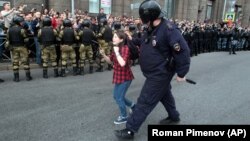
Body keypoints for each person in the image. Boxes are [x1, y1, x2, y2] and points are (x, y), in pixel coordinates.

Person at [114, 0, 191, 139]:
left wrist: (181, 73)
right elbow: (144, 41)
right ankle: (174, 117)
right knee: (164, 94)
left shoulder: (169, 29)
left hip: (160, 73)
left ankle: (130, 129)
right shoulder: (152, 28)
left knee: (145, 100)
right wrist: (131, 40)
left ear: (148, 17)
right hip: (155, 73)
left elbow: (183, 52)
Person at [100, 30, 135, 125]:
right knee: (116, 96)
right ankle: (133, 106)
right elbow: (110, 61)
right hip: (118, 76)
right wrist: (103, 54)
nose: (113, 38)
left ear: (121, 39)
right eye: (113, 36)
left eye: (115, 37)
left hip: (126, 77)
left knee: (119, 98)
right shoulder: (115, 48)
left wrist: (117, 52)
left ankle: (124, 116)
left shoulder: (125, 48)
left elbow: (123, 63)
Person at [5, 15, 32, 82]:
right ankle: (28, 77)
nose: (22, 23)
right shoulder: (22, 29)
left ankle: (16, 78)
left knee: (15, 63)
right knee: (25, 62)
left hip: (14, 47)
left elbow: (7, 39)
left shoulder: (9, 30)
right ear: (17, 22)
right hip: (22, 47)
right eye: (20, 21)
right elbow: (26, 40)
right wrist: (28, 48)